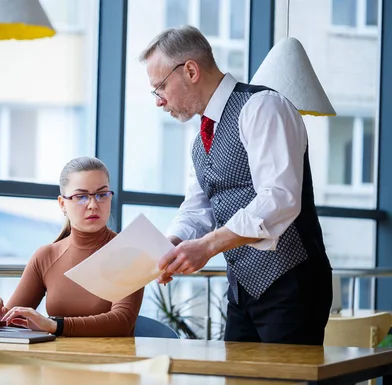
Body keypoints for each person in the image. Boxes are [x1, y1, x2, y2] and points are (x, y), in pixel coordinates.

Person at [139, 25, 332, 345]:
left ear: (190, 70)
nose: (159, 101)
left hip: (291, 285)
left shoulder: (263, 107)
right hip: (242, 292)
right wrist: (173, 242)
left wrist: (208, 246)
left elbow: (280, 197)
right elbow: (198, 207)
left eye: (160, 87)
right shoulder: (200, 141)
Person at [0, 156, 144, 337]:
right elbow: (11, 322)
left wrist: (54, 325)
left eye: (102, 194)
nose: (93, 205)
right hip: (54, 362)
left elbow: (121, 322)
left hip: (110, 363)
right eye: (81, 196)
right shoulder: (45, 256)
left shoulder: (129, 252)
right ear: (62, 204)